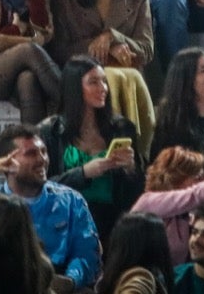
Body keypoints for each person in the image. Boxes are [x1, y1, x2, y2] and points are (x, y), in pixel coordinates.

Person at [0, 125, 102, 291]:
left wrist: (70, 280)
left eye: (43, 151)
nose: (42, 159)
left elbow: (86, 253)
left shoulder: (71, 201)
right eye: (31, 153)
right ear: (6, 161)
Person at [34, 56, 145, 241]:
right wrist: (84, 173)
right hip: (66, 219)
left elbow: (137, 191)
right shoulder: (50, 131)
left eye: (104, 81)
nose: (103, 88)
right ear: (75, 88)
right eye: (93, 82)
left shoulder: (122, 128)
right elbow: (41, 186)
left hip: (112, 221)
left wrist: (130, 168)